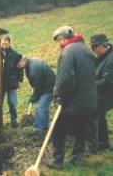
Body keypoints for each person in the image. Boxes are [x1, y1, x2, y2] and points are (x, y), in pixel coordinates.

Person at [47, 26, 97, 170]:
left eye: (58, 41)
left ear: (62, 39)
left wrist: (59, 98)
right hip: (89, 102)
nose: (59, 45)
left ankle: (57, 161)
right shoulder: (86, 49)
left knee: (58, 130)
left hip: (72, 103)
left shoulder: (68, 52)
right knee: (82, 131)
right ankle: (76, 158)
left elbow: (65, 80)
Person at [0, 35, 24, 128]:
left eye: (6, 44)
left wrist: (20, 81)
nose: (4, 46)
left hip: (12, 83)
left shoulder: (15, 54)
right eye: (2, 44)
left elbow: (20, 69)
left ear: (9, 43)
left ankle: (14, 120)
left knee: (12, 102)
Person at [17, 57, 55, 134]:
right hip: (45, 86)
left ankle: (37, 131)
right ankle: (45, 127)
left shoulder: (34, 68)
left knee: (40, 107)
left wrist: (33, 97)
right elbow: (37, 84)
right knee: (44, 107)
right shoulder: (30, 64)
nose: (17, 66)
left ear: (23, 61)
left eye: (18, 64)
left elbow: (38, 86)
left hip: (49, 87)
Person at [90, 34, 113, 151]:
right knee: (100, 117)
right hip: (102, 94)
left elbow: (107, 82)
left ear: (100, 46)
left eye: (94, 50)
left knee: (94, 116)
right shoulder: (105, 56)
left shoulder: (110, 60)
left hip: (106, 95)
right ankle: (103, 143)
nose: (94, 53)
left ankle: (95, 145)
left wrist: (92, 84)